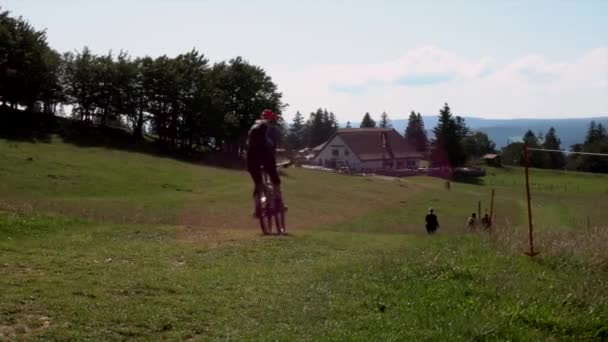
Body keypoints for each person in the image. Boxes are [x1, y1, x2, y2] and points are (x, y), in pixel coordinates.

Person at [246, 109, 283, 218]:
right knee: (275, 179)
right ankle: (278, 202)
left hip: (251, 156)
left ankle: (257, 208)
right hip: (265, 155)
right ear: (273, 118)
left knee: (258, 183)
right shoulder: (273, 129)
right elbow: (273, 146)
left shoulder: (254, 127)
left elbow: (248, 143)